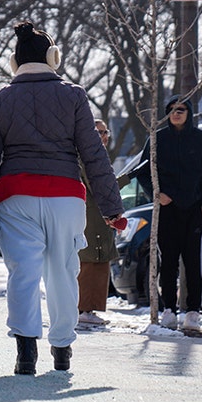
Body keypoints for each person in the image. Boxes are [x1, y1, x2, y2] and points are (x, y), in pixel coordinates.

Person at [0, 20, 123, 375]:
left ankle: (26, 352)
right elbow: (93, 154)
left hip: (15, 197)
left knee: (22, 274)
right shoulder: (73, 95)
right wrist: (112, 207)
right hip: (65, 196)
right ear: (53, 57)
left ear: (15, 62)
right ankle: (61, 347)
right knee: (62, 271)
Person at [129, 95, 202, 331]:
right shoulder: (157, 139)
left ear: (189, 113)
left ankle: (192, 312)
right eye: (172, 109)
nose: (177, 113)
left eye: (181, 109)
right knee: (167, 262)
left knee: (192, 264)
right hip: (167, 212)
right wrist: (156, 194)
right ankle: (168, 309)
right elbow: (142, 172)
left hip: (194, 212)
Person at [77, 119, 117, 327]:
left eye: (104, 132)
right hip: (92, 217)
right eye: (97, 132)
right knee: (91, 262)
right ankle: (84, 308)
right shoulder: (86, 158)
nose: (102, 136)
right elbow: (98, 187)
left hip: (101, 217)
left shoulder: (99, 157)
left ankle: (89, 308)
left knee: (100, 262)